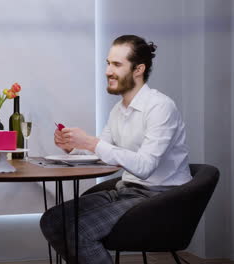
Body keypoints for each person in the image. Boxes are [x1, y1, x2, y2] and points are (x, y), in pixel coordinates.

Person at [40, 35, 192, 264]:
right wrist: (74, 147)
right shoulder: (118, 110)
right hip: (127, 191)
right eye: (108, 63)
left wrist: (91, 142)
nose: (108, 71)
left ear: (138, 69)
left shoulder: (160, 107)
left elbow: (145, 166)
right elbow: (104, 154)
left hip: (161, 199)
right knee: (52, 220)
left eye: (117, 64)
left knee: (80, 231)